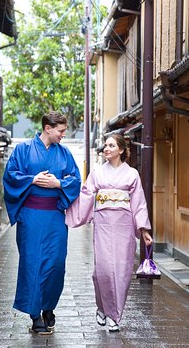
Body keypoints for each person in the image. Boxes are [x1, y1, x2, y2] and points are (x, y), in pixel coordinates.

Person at [3, 111, 81, 335]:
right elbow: (10, 176)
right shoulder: (23, 150)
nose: (63, 135)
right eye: (61, 131)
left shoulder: (64, 153)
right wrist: (32, 179)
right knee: (32, 263)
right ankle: (35, 314)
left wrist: (58, 183)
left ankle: (49, 306)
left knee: (56, 264)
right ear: (48, 128)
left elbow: (75, 179)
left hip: (55, 217)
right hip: (31, 215)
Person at [65, 134, 153, 332]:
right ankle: (102, 307)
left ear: (121, 150)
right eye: (105, 145)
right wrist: (71, 210)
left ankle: (114, 316)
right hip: (103, 224)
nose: (106, 148)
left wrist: (144, 229)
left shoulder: (132, 174)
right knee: (102, 271)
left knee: (121, 271)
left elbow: (138, 203)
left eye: (111, 145)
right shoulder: (97, 173)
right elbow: (87, 196)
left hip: (124, 225)